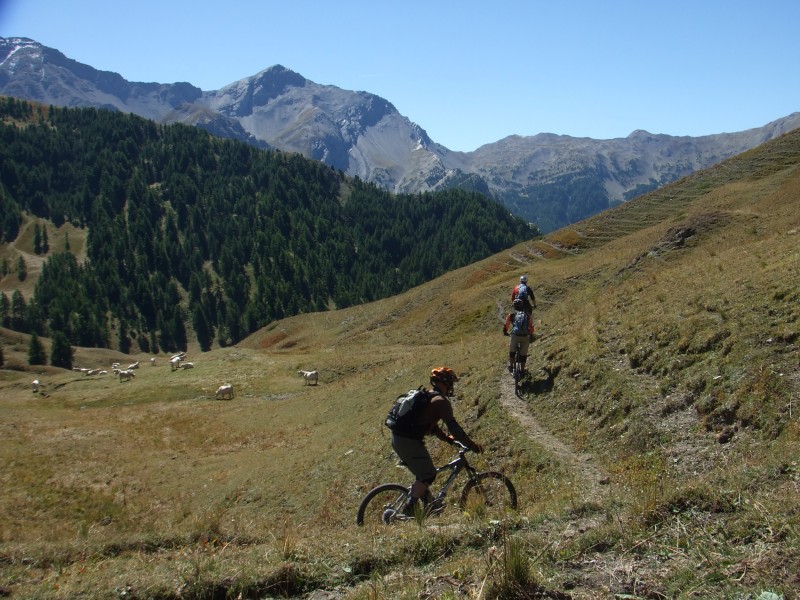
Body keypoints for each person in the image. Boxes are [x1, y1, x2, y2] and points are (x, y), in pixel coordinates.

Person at [391, 366, 484, 515]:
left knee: (422, 476)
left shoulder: (427, 395)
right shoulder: (441, 402)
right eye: (451, 383)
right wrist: (472, 445)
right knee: (429, 474)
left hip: (398, 438)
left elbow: (430, 425)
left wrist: (447, 439)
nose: (452, 387)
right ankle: (409, 508)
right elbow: (456, 429)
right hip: (408, 441)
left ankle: (429, 508)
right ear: (445, 383)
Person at [503, 298, 535, 374]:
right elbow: (531, 326)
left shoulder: (511, 315)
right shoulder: (527, 315)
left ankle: (511, 366)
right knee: (523, 354)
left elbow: (506, 324)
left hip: (515, 335)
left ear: (514, 306)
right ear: (522, 306)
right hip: (525, 336)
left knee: (512, 351)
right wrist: (530, 334)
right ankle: (522, 370)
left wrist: (505, 331)